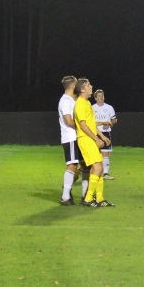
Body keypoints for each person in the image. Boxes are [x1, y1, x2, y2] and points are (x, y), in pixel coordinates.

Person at [74, 78, 113, 207]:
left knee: (99, 167)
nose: (91, 86)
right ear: (82, 89)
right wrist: (96, 139)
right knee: (97, 167)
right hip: (85, 139)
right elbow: (83, 126)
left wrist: (101, 136)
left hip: (90, 138)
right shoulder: (80, 104)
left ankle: (100, 198)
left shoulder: (87, 103)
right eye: (88, 85)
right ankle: (88, 198)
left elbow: (91, 124)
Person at [57, 75, 80, 206]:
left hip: (75, 137)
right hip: (70, 137)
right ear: (72, 86)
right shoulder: (65, 101)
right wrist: (83, 126)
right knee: (71, 165)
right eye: (76, 84)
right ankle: (65, 197)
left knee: (78, 166)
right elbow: (69, 121)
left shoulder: (71, 100)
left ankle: (69, 190)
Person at [92, 89, 117, 180]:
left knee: (106, 153)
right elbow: (91, 122)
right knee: (95, 153)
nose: (101, 97)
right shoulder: (92, 108)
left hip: (106, 133)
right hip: (94, 133)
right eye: (99, 96)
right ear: (95, 98)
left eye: (102, 96)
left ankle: (105, 173)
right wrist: (102, 123)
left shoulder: (109, 107)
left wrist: (110, 123)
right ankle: (94, 172)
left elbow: (114, 120)